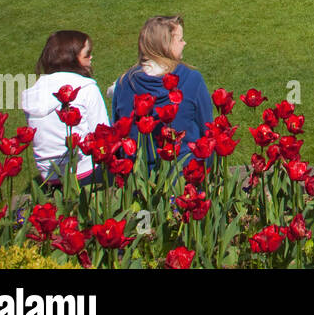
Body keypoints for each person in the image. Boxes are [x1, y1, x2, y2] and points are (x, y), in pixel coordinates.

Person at [110, 15, 213, 172]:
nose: (184, 43)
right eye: (180, 40)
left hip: (137, 175)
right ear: (166, 45)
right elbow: (207, 130)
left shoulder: (124, 83)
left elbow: (117, 133)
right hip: (185, 176)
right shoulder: (192, 79)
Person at [20, 29, 110, 188]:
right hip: (86, 172)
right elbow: (102, 132)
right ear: (72, 59)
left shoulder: (32, 93)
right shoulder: (86, 88)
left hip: (49, 177)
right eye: (87, 54)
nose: (91, 58)